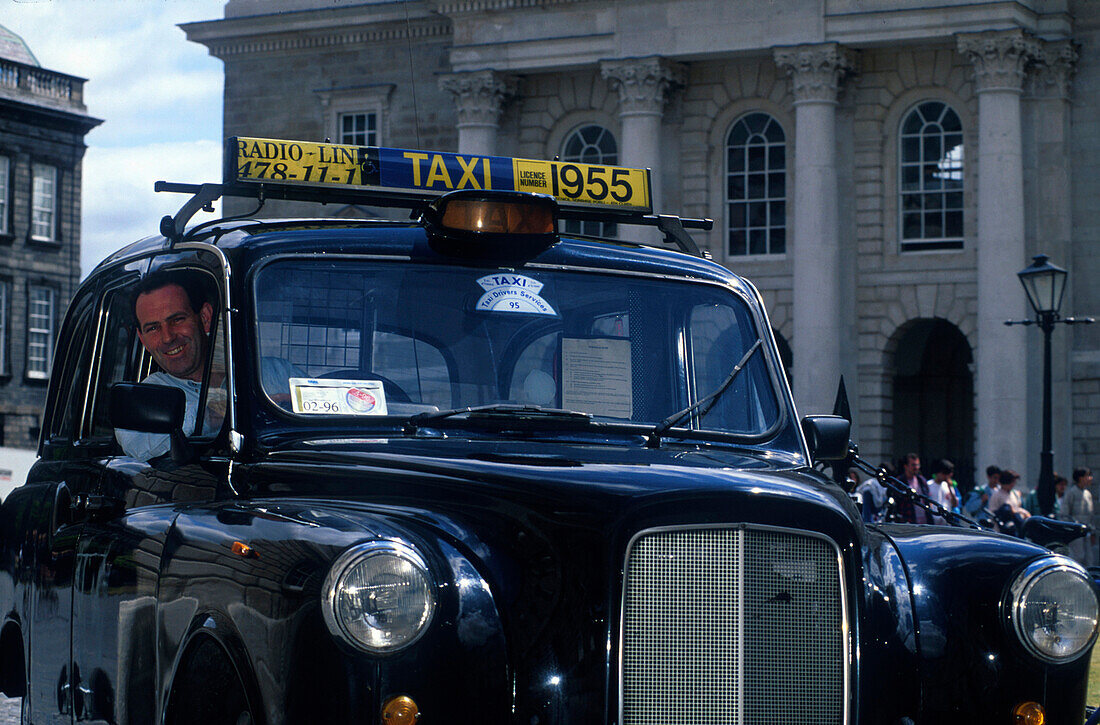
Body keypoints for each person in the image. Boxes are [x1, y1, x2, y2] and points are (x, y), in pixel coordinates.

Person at [115, 270, 222, 461]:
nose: (168, 337)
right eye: (153, 328)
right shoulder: (145, 397)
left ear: (205, 318)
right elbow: (137, 443)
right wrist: (210, 415)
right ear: (143, 339)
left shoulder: (273, 374)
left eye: (177, 320)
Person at [1063, 468, 1096, 566]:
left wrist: (1093, 531)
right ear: (1080, 478)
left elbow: (1091, 514)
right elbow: (1065, 513)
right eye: (1087, 476)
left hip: (1087, 531)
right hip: (1075, 531)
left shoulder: (1087, 494)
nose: (1090, 478)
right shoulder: (1071, 493)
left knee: (1089, 558)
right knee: (1078, 556)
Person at [895, 453, 937, 524]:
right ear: (906, 466)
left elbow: (927, 498)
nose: (916, 467)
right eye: (913, 465)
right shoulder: (899, 482)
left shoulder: (922, 481)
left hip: (925, 522)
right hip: (909, 521)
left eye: (918, 465)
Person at [988, 468, 1030, 534]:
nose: (1012, 484)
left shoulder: (1015, 494)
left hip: (1017, 527)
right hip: (1002, 530)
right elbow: (992, 513)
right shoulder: (996, 495)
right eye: (1011, 482)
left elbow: (1018, 507)